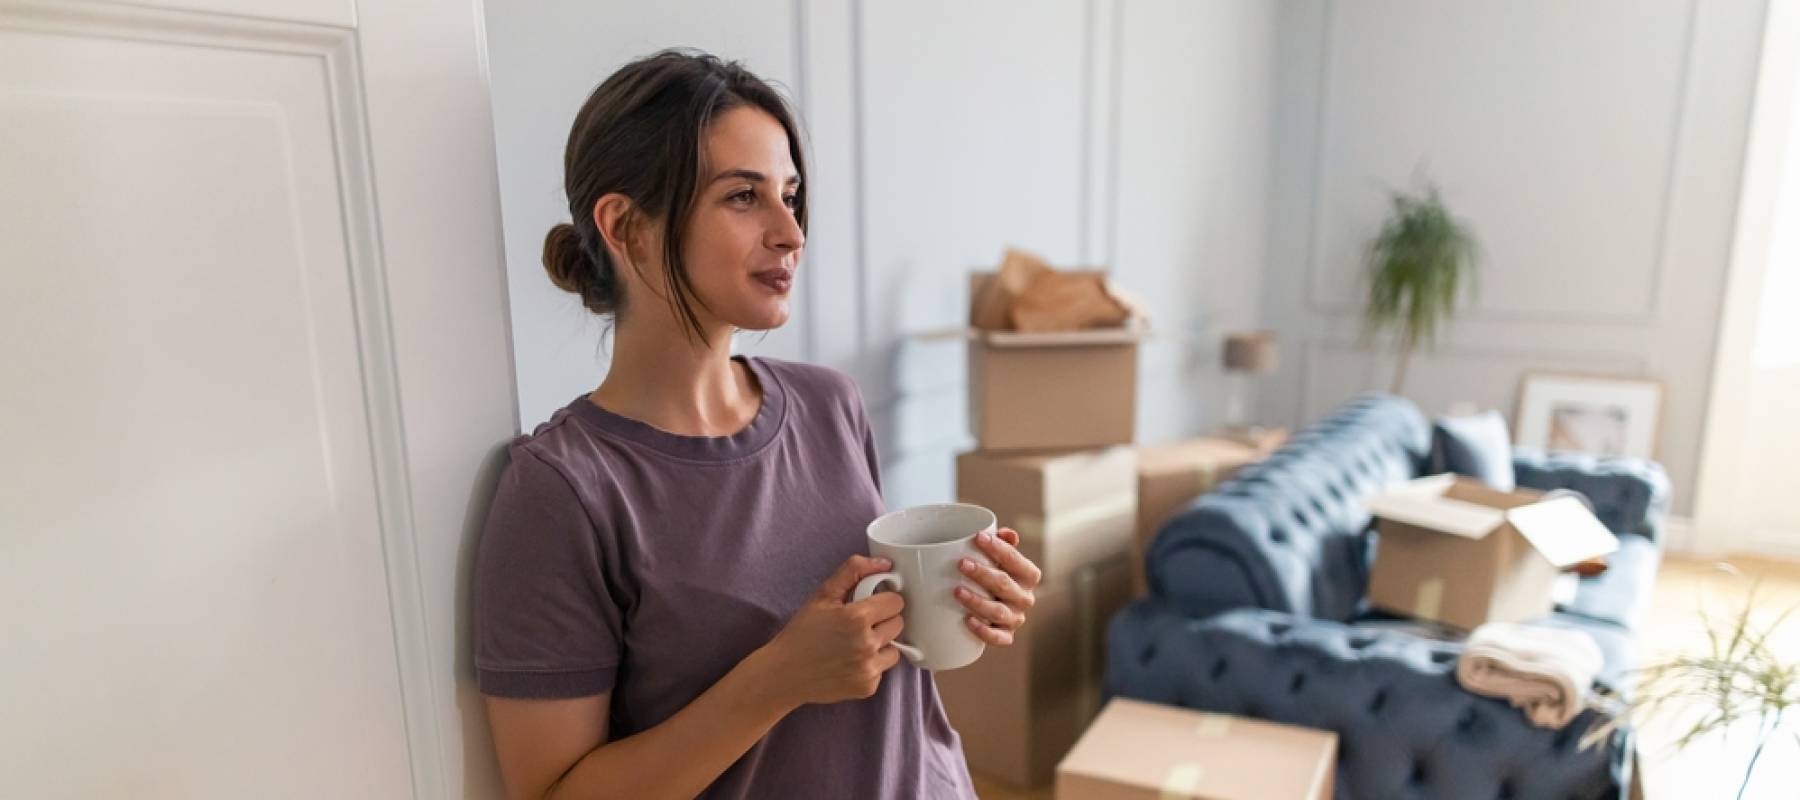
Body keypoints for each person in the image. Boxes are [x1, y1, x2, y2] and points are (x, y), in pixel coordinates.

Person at [472, 49, 1043, 799]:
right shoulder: (562, 492)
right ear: (625, 226)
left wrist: (963, 605)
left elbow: (883, 665)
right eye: (744, 197)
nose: (791, 232)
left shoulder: (829, 404)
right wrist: (775, 681)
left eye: (791, 195)